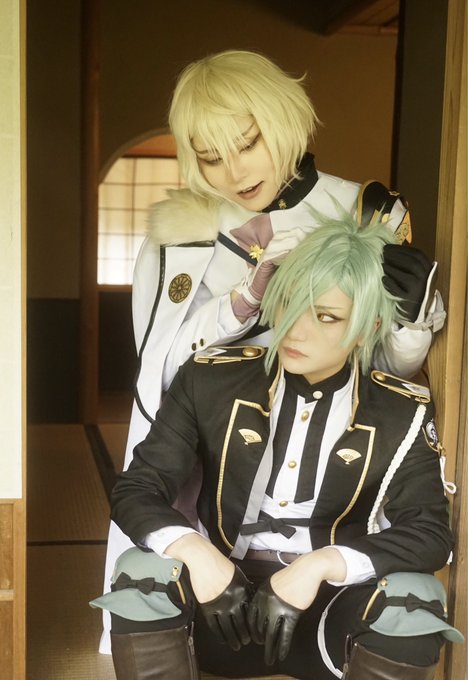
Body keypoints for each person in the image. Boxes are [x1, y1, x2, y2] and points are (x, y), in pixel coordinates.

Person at [100, 49, 446, 652]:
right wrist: (243, 300)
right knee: (150, 584)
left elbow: (387, 372)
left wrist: (413, 318)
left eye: (248, 143)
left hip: (332, 449)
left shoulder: (368, 213)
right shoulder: (180, 230)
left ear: (285, 120)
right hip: (212, 448)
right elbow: (161, 370)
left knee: (400, 607)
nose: (234, 172)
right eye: (210, 157)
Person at [92, 211, 461, 679]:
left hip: (330, 612)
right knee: (140, 574)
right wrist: (197, 553)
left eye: (326, 316)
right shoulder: (210, 380)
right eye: (288, 303)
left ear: (368, 328)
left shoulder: (400, 410)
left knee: (414, 600)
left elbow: (430, 533)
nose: (295, 330)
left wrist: (320, 566)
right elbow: (136, 489)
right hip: (220, 601)